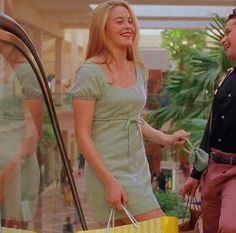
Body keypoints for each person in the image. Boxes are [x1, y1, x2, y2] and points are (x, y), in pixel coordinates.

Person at [72, 0, 189, 226]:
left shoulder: (137, 68)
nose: (129, 26)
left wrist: (166, 138)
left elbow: (133, 118)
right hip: (108, 169)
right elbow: (82, 134)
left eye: (130, 21)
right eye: (119, 21)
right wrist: (109, 182)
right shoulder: (89, 72)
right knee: (160, 226)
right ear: (102, 28)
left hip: (137, 168)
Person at [182, 9, 236, 233]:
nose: (223, 39)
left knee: (229, 226)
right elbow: (210, 128)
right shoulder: (227, 76)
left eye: (228, 32)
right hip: (211, 170)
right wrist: (195, 174)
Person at [0, 41, 44, 229]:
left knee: (13, 225)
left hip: (16, 170)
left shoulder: (26, 72)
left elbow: (33, 134)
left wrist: (4, 177)